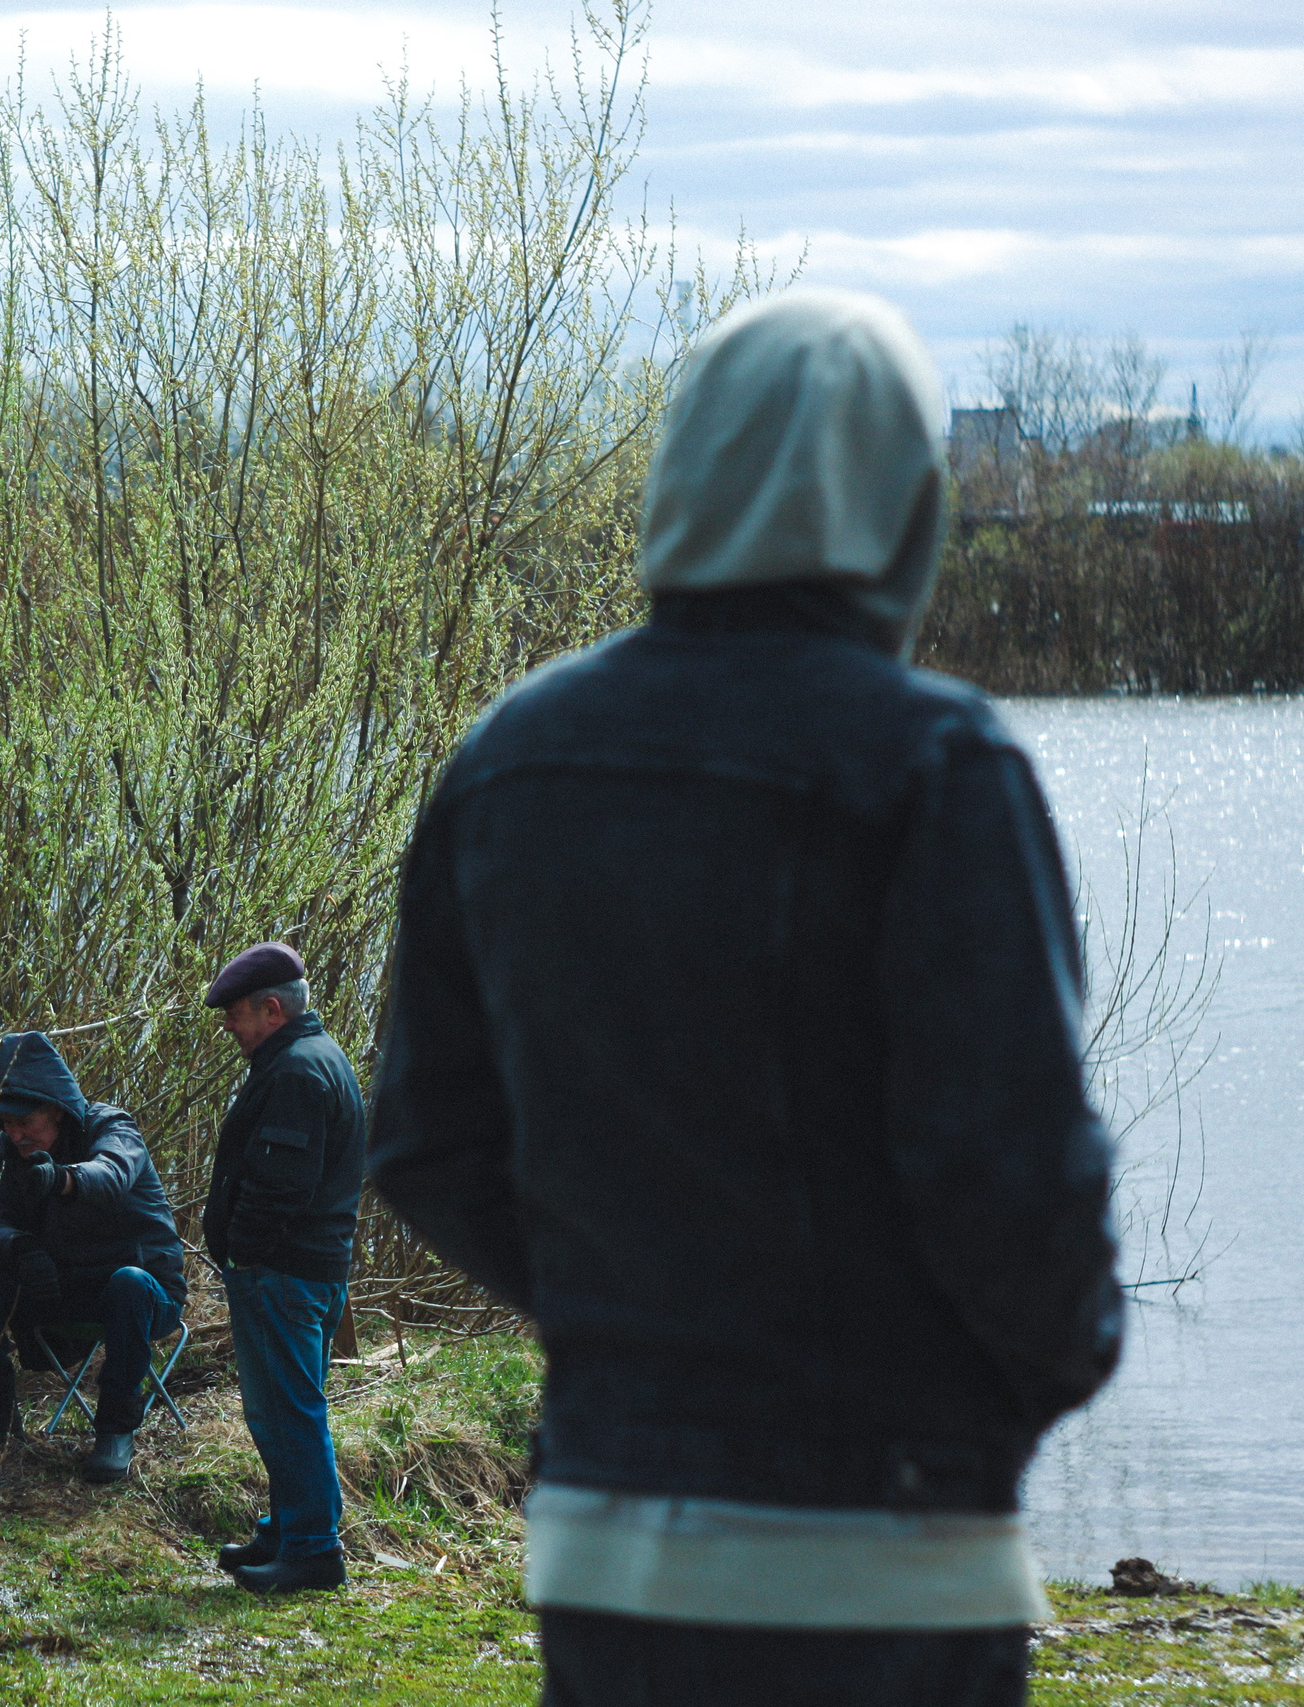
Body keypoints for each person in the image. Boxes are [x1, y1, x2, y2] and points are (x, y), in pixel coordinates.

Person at [368, 289, 1123, 1706]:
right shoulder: (936, 765)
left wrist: (626, 1314)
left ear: (680, 479)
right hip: (890, 1553)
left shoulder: (509, 759)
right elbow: (1014, 1176)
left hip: (606, 1541)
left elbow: (422, 1140)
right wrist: (1024, 1381)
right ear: (910, 512)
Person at [200, 942, 367, 1596]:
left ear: (272, 1009)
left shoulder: (298, 1071)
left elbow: (278, 1186)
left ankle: (312, 1550)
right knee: (278, 1410)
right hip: (303, 1271)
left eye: (236, 1015)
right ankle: (289, 1529)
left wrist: (243, 1249)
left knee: (290, 1410)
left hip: (283, 1273)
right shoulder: (309, 1059)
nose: (229, 1028)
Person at [0, 1032, 187, 1483]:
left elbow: (112, 1174)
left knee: (130, 1282)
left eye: (25, 1121)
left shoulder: (112, 1127)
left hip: (143, 1295)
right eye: (4, 1122)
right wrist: (21, 1249)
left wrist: (60, 1179)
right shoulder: (9, 1150)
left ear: (56, 1108)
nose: (14, 1133)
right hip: (59, 1289)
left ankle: (116, 1428)